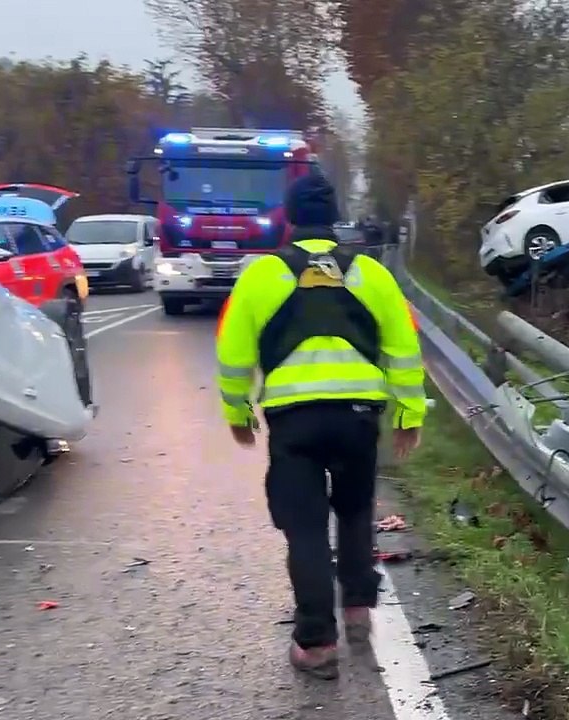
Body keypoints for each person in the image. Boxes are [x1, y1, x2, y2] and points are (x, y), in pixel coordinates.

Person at [215, 172, 428, 679]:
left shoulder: (261, 274)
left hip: (295, 421)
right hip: (358, 417)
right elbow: (403, 348)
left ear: (287, 218)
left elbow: (233, 353)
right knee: (354, 511)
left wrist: (238, 414)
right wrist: (409, 416)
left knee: (305, 529)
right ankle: (357, 609)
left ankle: (316, 645)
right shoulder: (372, 274)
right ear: (334, 218)